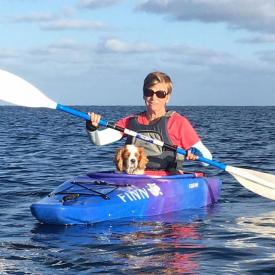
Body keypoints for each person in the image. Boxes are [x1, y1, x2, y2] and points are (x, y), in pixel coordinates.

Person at [86, 71, 212, 173]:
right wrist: (92, 128)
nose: (153, 98)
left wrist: (197, 154)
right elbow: (99, 140)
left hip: (167, 181)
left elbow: (207, 159)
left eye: (160, 94)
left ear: (167, 97)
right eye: (149, 92)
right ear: (143, 95)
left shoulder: (178, 122)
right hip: (133, 179)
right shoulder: (130, 121)